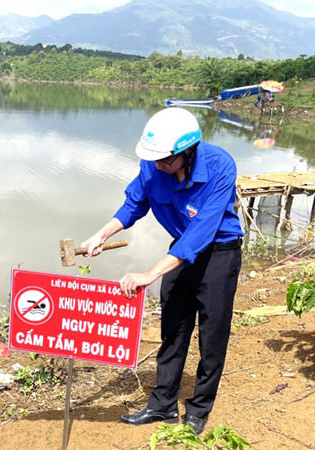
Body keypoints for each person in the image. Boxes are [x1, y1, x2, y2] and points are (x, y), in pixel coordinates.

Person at [81, 108, 244, 434]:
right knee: (173, 328)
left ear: (188, 152)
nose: (158, 167)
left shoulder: (220, 166)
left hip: (219, 252)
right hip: (180, 249)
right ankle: (163, 405)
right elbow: (133, 205)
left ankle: (199, 409)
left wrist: (149, 274)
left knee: (212, 335)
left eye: (166, 161)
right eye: (155, 161)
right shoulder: (154, 164)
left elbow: (201, 233)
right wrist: (101, 234)